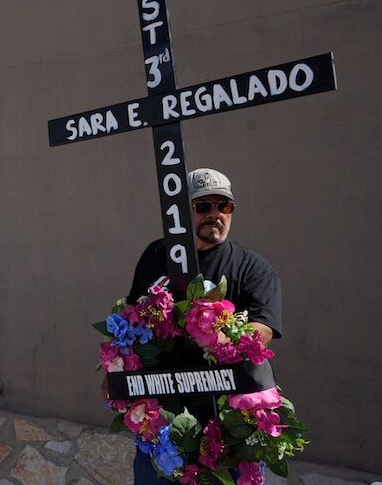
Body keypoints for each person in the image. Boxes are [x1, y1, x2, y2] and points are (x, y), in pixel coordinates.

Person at [121, 168, 282, 484]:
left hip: (228, 431)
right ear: (180, 213)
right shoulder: (156, 255)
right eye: (203, 206)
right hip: (164, 424)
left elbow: (262, 332)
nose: (215, 214)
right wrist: (117, 377)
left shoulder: (254, 269)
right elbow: (131, 317)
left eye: (224, 206)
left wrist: (217, 333)